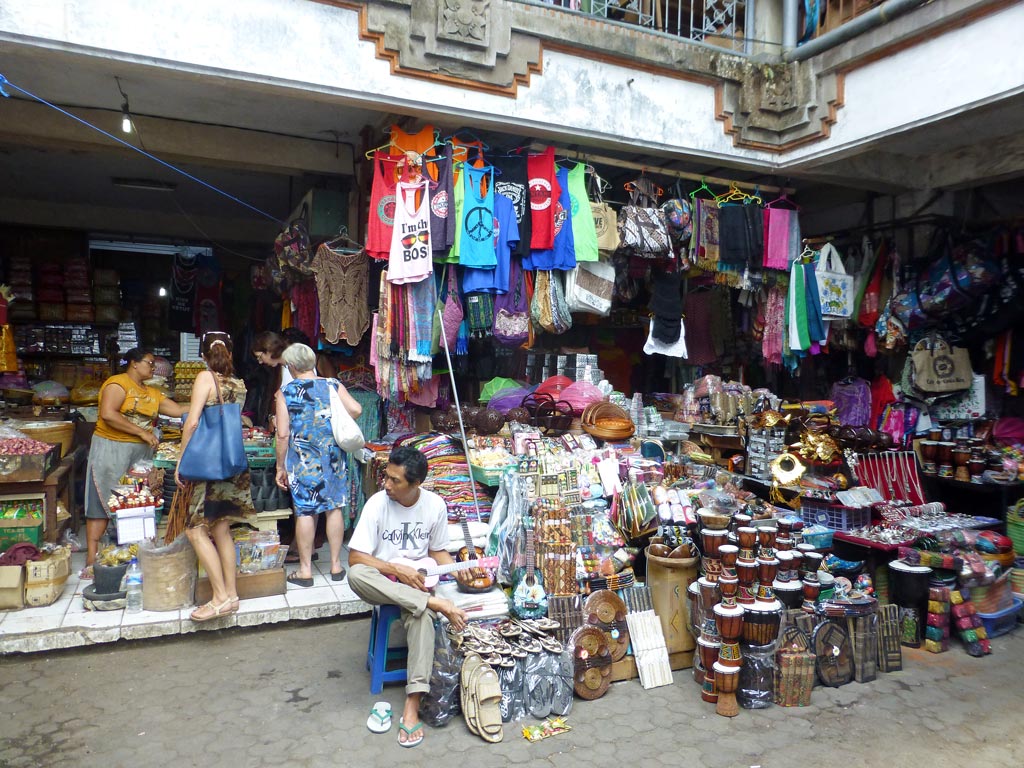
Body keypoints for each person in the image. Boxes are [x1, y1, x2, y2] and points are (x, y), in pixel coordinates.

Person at [347, 446, 471, 748]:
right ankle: (433, 603)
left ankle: (412, 703)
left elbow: (437, 551)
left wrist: (458, 571)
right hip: (384, 582)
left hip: (417, 587)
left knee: (422, 617)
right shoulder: (377, 504)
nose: (386, 485)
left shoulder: (434, 505)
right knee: (356, 575)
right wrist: (395, 569)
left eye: (395, 480)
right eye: (386, 477)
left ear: (416, 484)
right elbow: (356, 558)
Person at [82, 348, 187, 579]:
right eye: (149, 362)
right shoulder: (118, 384)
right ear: (134, 363)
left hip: (139, 456)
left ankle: (131, 554)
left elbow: (179, 410)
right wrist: (141, 432)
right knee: (101, 501)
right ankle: (91, 560)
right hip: (111, 450)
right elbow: (108, 414)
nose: (153, 367)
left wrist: (208, 403)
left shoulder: (151, 393)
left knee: (136, 502)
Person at [177, 332, 255, 621]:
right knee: (221, 528)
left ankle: (219, 597)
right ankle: (231, 596)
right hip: (231, 463)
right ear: (230, 353)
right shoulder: (238, 384)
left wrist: (181, 460)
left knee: (195, 530)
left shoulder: (204, 378)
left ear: (203, 356)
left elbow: (193, 422)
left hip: (207, 465)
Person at [274, 343, 361, 585]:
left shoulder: (286, 392)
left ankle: (305, 571)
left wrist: (280, 466)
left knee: (305, 510)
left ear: (292, 366)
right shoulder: (332, 384)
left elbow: (282, 434)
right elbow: (356, 409)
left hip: (303, 460)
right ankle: (335, 566)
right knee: (334, 507)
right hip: (332, 456)